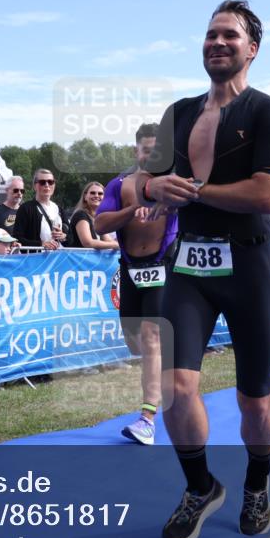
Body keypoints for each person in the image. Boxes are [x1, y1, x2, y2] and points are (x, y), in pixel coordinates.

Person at [132, 0, 270, 538]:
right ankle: (200, 487)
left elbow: (268, 195)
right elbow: (143, 183)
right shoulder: (178, 113)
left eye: (229, 35)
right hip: (189, 267)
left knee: (256, 401)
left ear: (252, 49)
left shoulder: (268, 112)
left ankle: (257, 482)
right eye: (210, 34)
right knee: (175, 389)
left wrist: (194, 191)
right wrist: (154, 186)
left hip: (250, 266)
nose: (217, 43)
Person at [94, 121, 178, 446]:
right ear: (136, 151)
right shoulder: (119, 185)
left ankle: (147, 418)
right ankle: (163, 374)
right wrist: (131, 211)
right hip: (131, 269)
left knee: (151, 336)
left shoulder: (173, 183)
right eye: (147, 151)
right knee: (134, 342)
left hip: (162, 266)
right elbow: (100, 223)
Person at [12, 169, 68, 250]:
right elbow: (17, 238)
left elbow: (71, 238)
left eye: (50, 182)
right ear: (35, 186)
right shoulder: (25, 208)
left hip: (59, 256)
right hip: (37, 256)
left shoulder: (59, 209)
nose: (47, 185)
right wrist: (41, 244)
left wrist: (63, 236)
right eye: (42, 182)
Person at [67, 182, 118, 249]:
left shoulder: (98, 218)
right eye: (92, 193)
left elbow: (108, 240)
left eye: (100, 193)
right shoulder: (81, 215)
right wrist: (116, 245)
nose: (96, 196)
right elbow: (88, 243)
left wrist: (118, 244)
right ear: (85, 197)